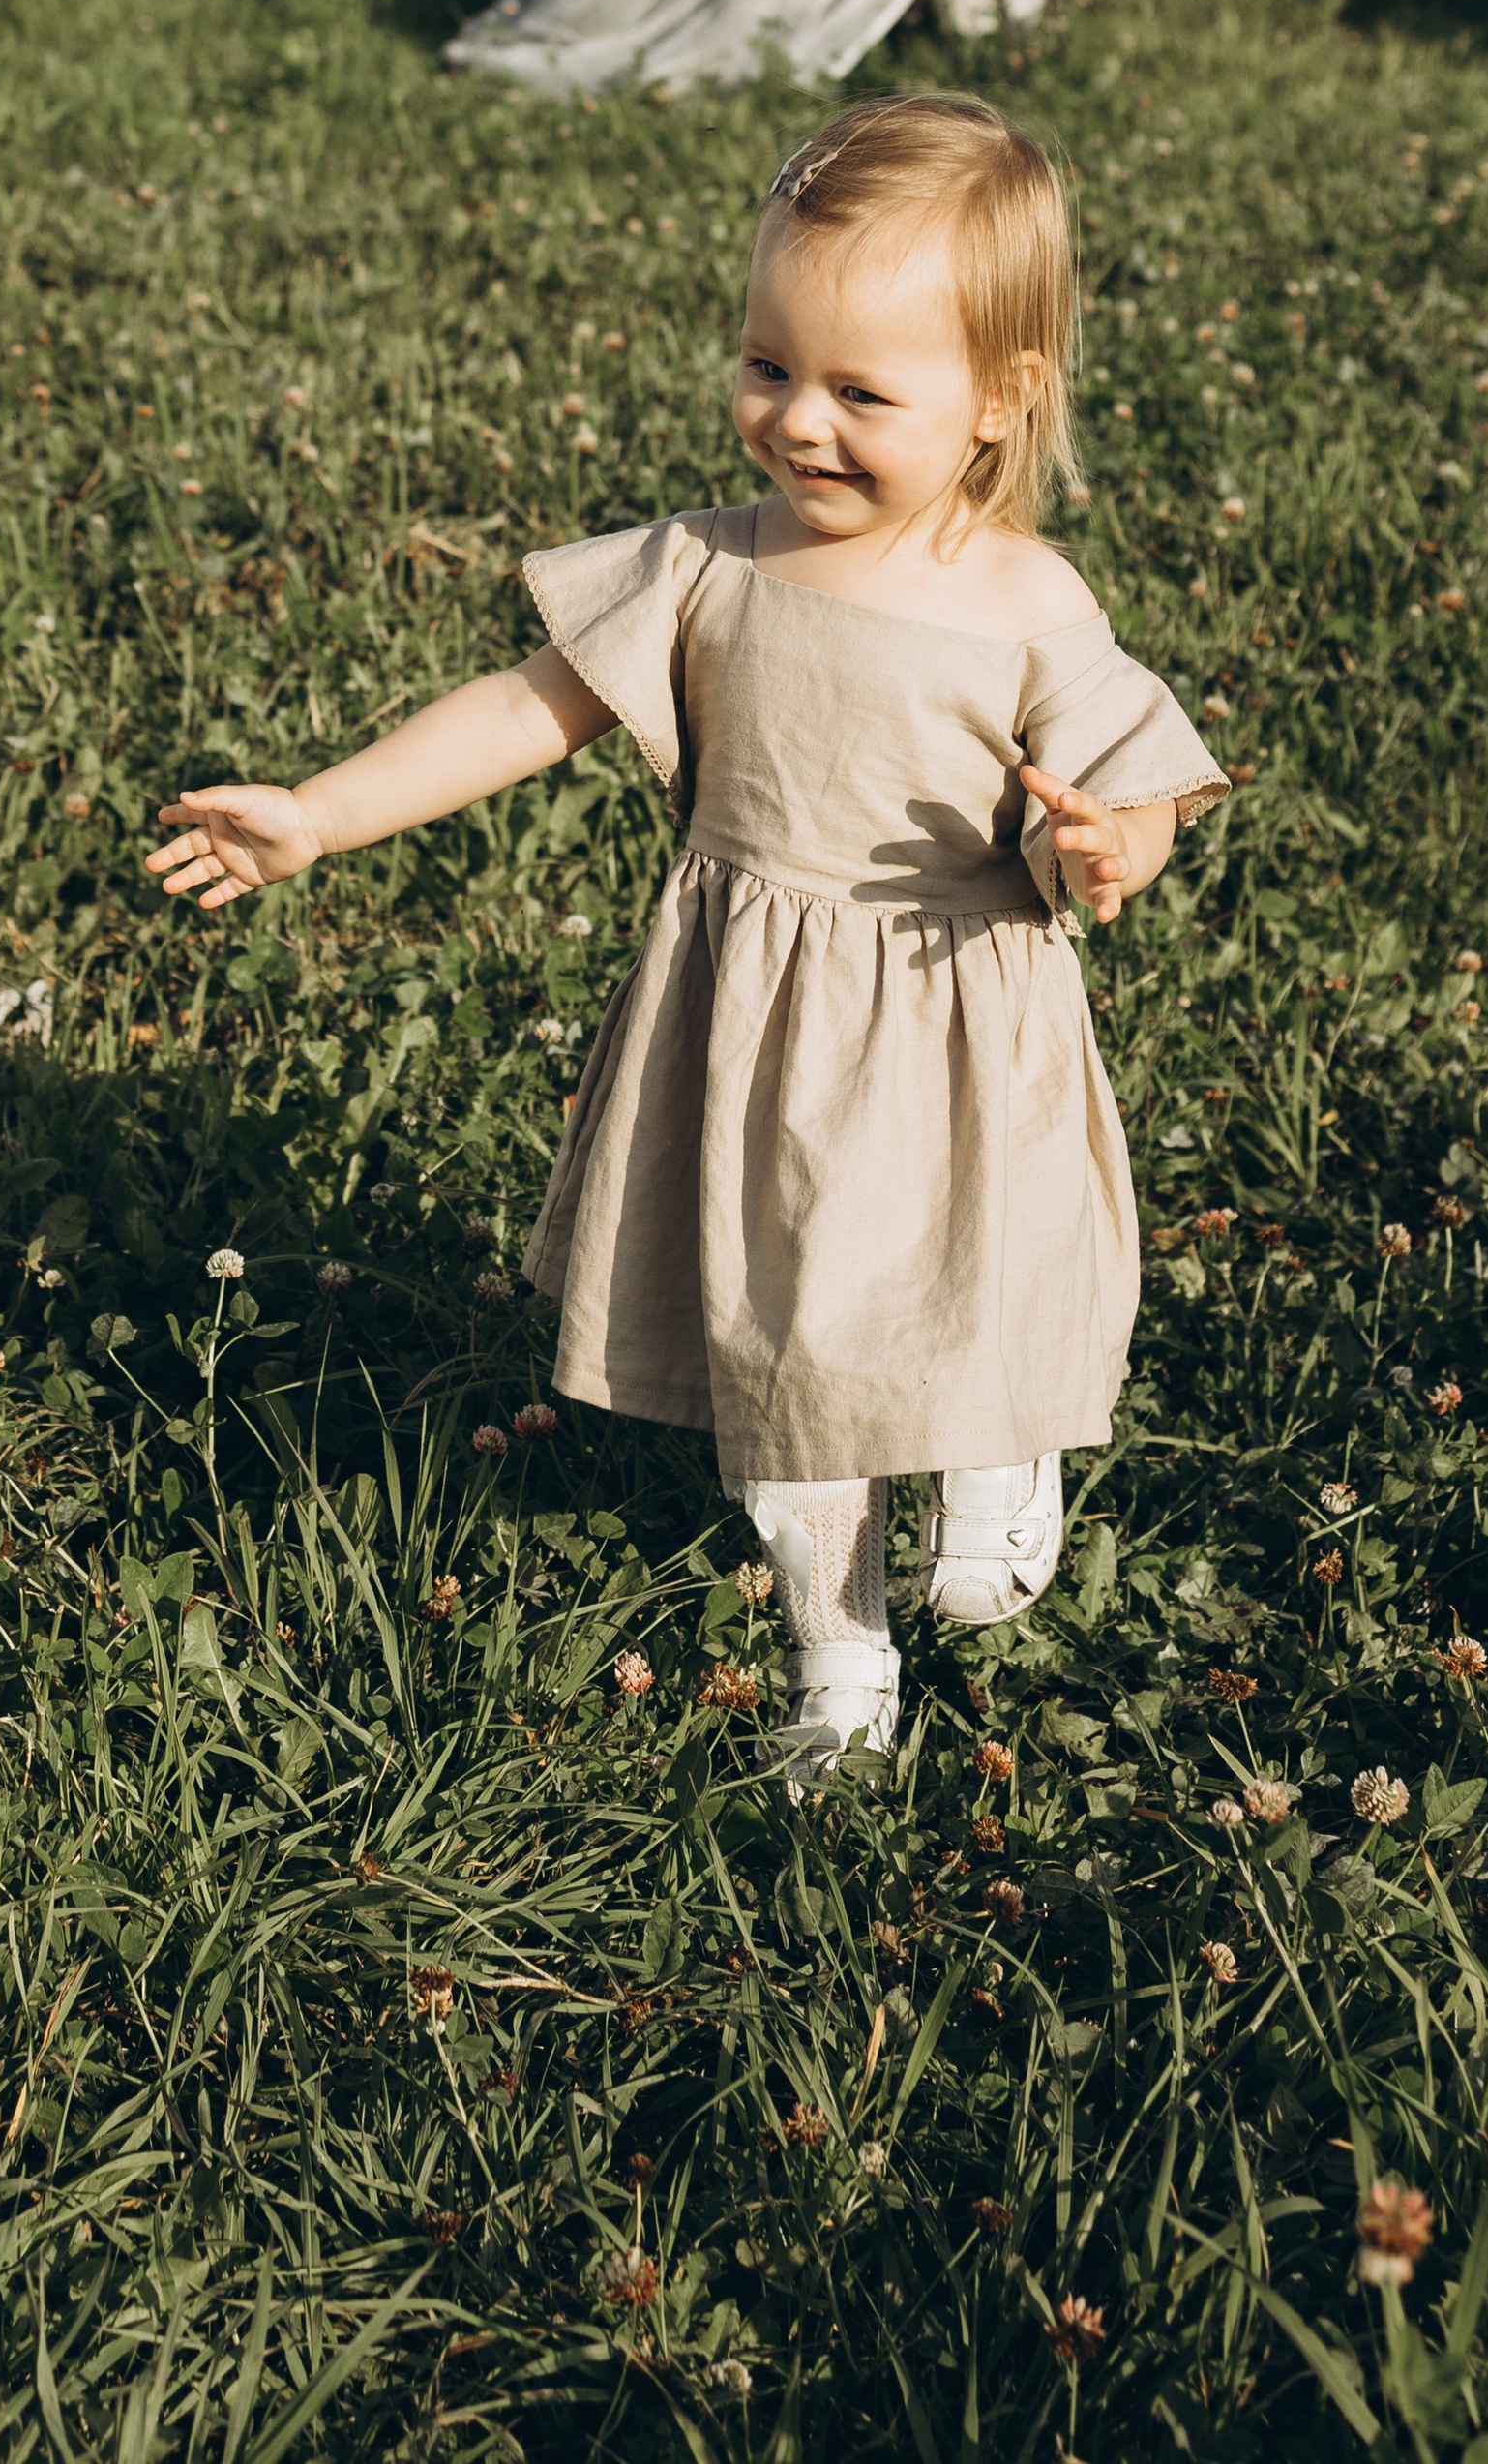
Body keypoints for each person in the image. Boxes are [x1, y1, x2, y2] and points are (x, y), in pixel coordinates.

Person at [144, 92, 1227, 1767]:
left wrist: (1110, 843)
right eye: (768, 365)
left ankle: (997, 1444)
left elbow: (1131, 782)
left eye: (863, 393)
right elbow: (525, 707)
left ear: (1000, 400)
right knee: (784, 1347)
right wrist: (322, 813)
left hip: (955, 1028)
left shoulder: (1026, 599)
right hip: (758, 1025)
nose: (799, 422)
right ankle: (838, 1655)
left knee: (963, 1280)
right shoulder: (705, 569)